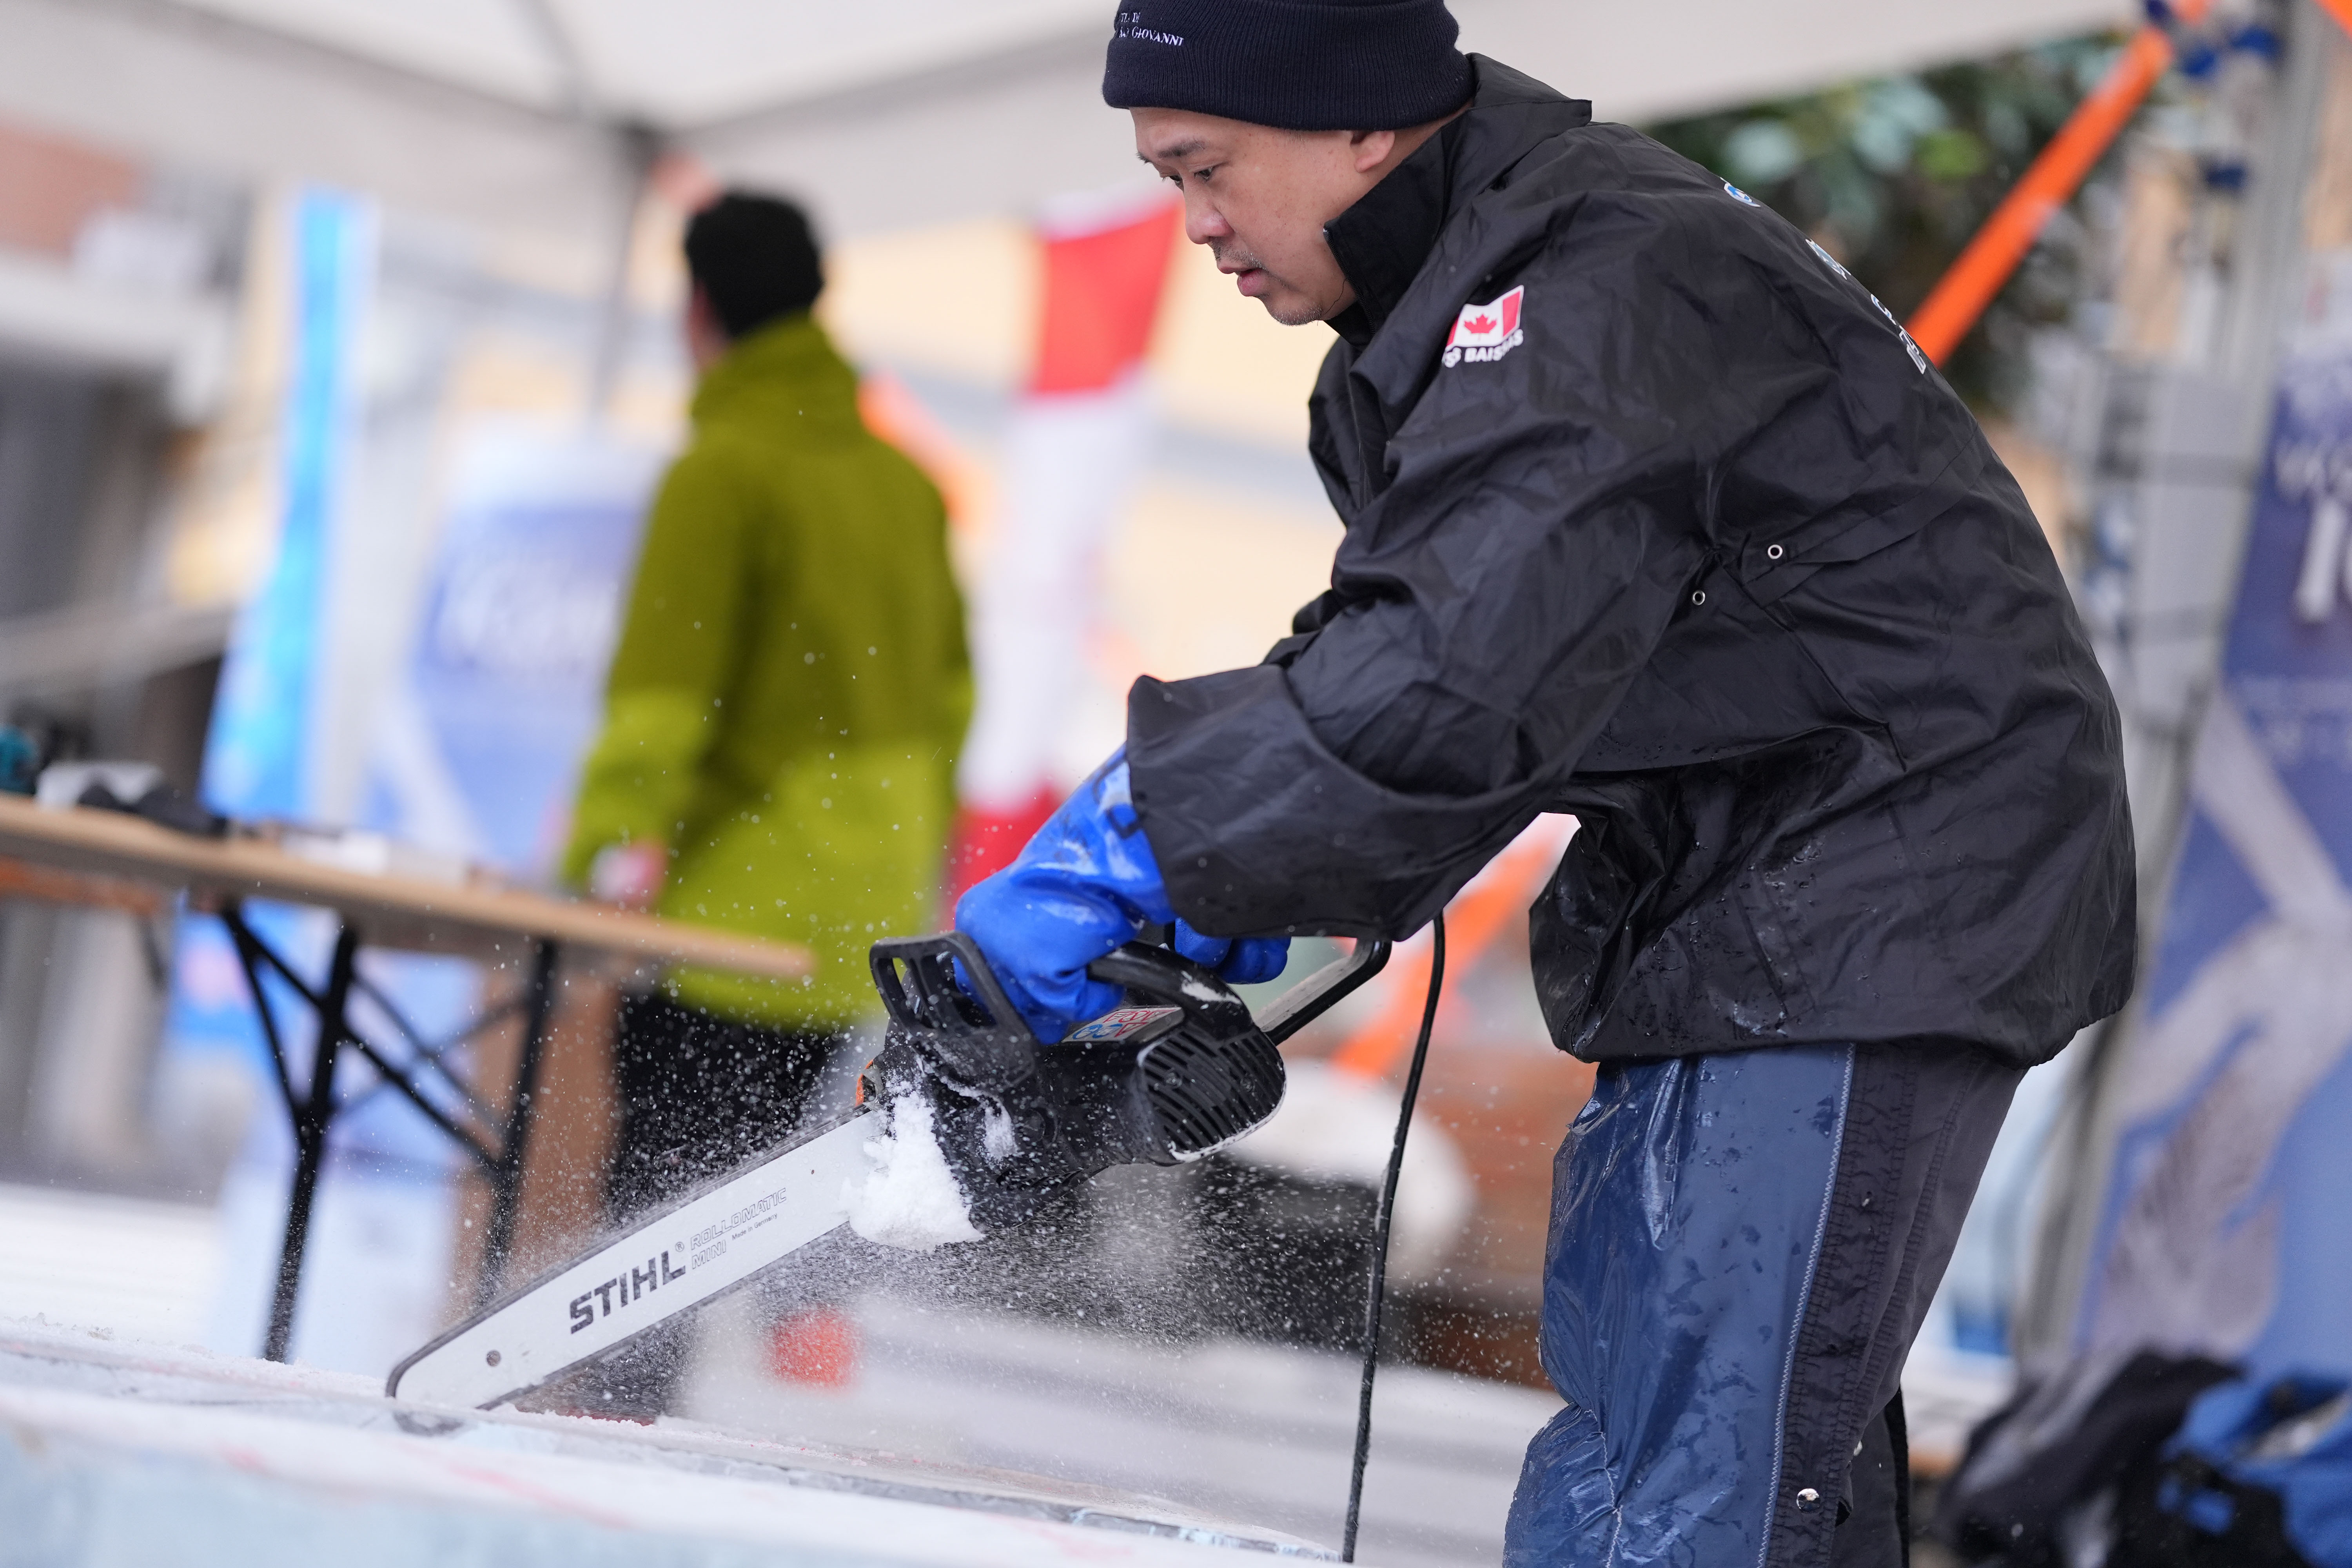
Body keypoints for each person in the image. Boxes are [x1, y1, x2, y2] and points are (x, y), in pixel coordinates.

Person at [951, 4, 2135, 1564]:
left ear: (1361, 124)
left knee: (1698, 1470)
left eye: (1206, 167)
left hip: (1881, 871)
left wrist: (1142, 842)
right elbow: (1432, 679)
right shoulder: (1438, 327)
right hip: (1741, 882)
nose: (1199, 227)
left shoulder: (1585, 288)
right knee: (1650, 1437)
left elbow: (1447, 666)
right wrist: (1252, 878)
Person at [564, 191, 970, 1379]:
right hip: (863, 927)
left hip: (733, 920)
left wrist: (582, 858)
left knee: (642, 1254)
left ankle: (597, 1462)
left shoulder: (723, 471)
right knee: (728, 1223)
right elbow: (952, 704)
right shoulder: (907, 489)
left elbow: (661, 703)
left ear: (696, 311)